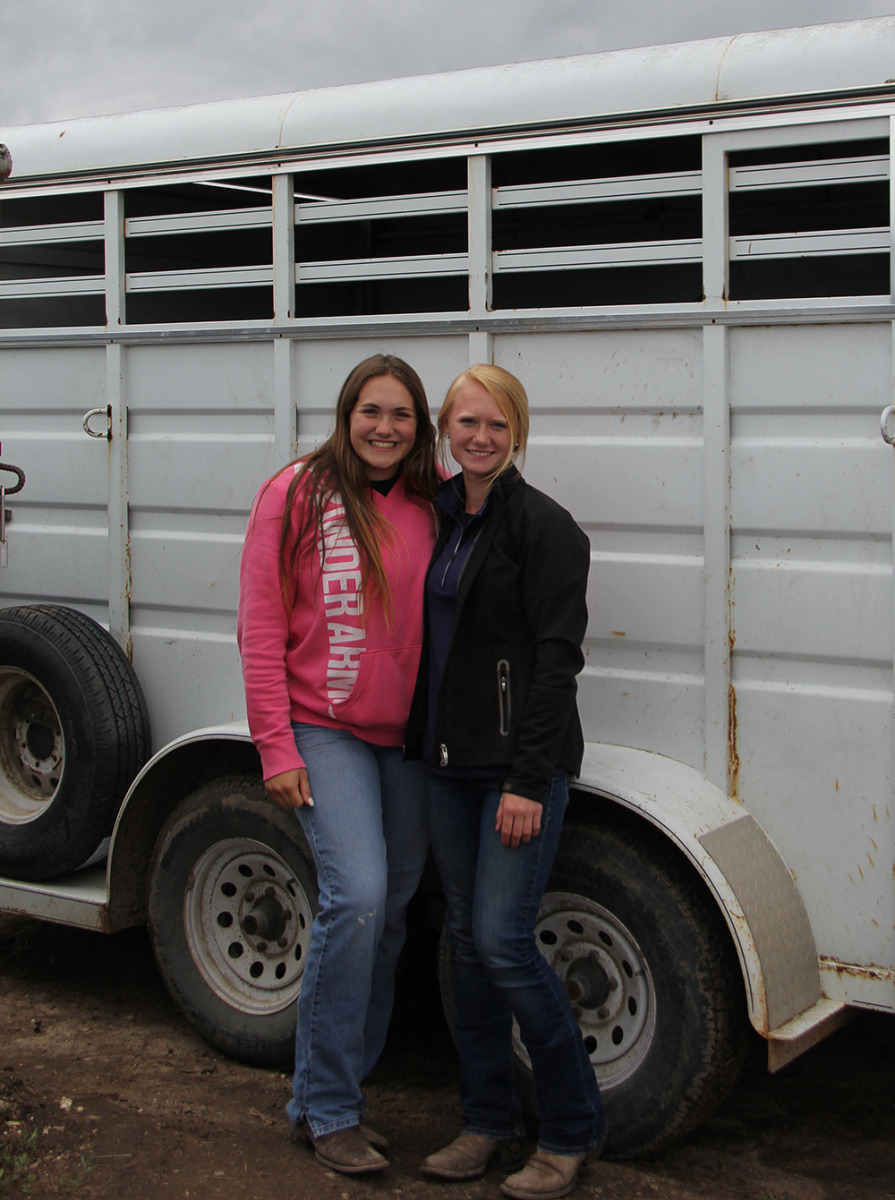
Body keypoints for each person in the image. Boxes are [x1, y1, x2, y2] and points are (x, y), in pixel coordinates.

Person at [405, 364, 607, 1200]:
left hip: (517, 776)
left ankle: (568, 1132)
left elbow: (558, 662)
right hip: (448, 769)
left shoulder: (545, 527)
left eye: (494, 425)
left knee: (503, 943)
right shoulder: (442, 518)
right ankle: (485, 1121)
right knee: (462, 946)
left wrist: (528, 780)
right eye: (465, 424)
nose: (479, 438)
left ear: (516, 431)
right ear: (445, 431)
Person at [236, 354, 440, 1176]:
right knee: (353, 899)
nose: (384, 427)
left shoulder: (432, 501)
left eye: (400, 414)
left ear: (417, 425)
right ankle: (328, 1109)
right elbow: (258, 626)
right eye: (370, 410)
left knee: (389, 914)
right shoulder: (296, 491)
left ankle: (330, 1092)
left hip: (409, 744)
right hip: (323, 729)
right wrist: (274, 745)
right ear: (345, 414)